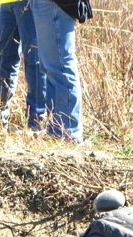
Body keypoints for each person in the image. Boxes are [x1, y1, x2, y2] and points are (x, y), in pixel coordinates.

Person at [30, 0, 86, 142]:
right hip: (47, 4)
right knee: (51, 67)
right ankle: (56, 130)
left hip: (55, 4)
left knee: (59, 67)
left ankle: (67, 132)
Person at [0, 1, 46, 131]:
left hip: (31, 4)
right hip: (7, 3)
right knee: (3, 56)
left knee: (33, 58)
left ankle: (36, 124)